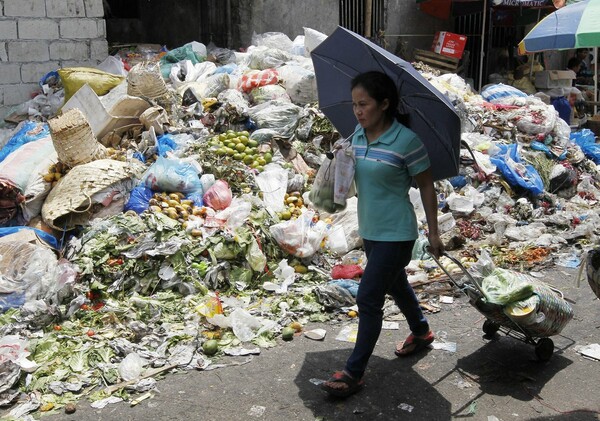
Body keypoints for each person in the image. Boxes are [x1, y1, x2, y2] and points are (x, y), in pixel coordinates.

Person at [320, 71, 445, 398]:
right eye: (354, 105)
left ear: (385, 104)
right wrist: (339, 158)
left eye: (364, 104)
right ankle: (421, 330)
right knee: (395, 283)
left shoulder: (406, 141)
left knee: (368, 297)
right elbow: (348, 183)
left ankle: (354, 372)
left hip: (398, 234)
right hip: (371, 232)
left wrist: (434, 233)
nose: (358, 111)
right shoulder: (356, 138)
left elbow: (428, 186)